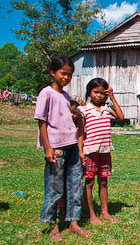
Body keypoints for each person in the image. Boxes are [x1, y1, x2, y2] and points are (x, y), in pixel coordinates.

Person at [34, 56, 90, 241]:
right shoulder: (46, 93)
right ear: (53, 72)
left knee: (75, 184)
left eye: (70, 75)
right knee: (54, 186)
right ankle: (52, 225)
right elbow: (42, 122)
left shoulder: (66, 96)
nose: (66, 78)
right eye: (63, 73)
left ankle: (73, 221)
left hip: (72, 144)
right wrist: (47, 148)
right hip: (56, 146)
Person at [79, 78, 124, 225]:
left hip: (105, 151)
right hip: (90, 151)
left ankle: (104, 212)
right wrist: (81, 152)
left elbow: (121, 117)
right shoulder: (84, 110)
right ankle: (91, 214)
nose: (99, 96)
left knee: (103, 181)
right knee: (89, 182)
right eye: (95, 92)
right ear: (89, 93)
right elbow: (81, 133)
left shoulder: (107, 108)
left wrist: (112, 97)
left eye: (102, 93)